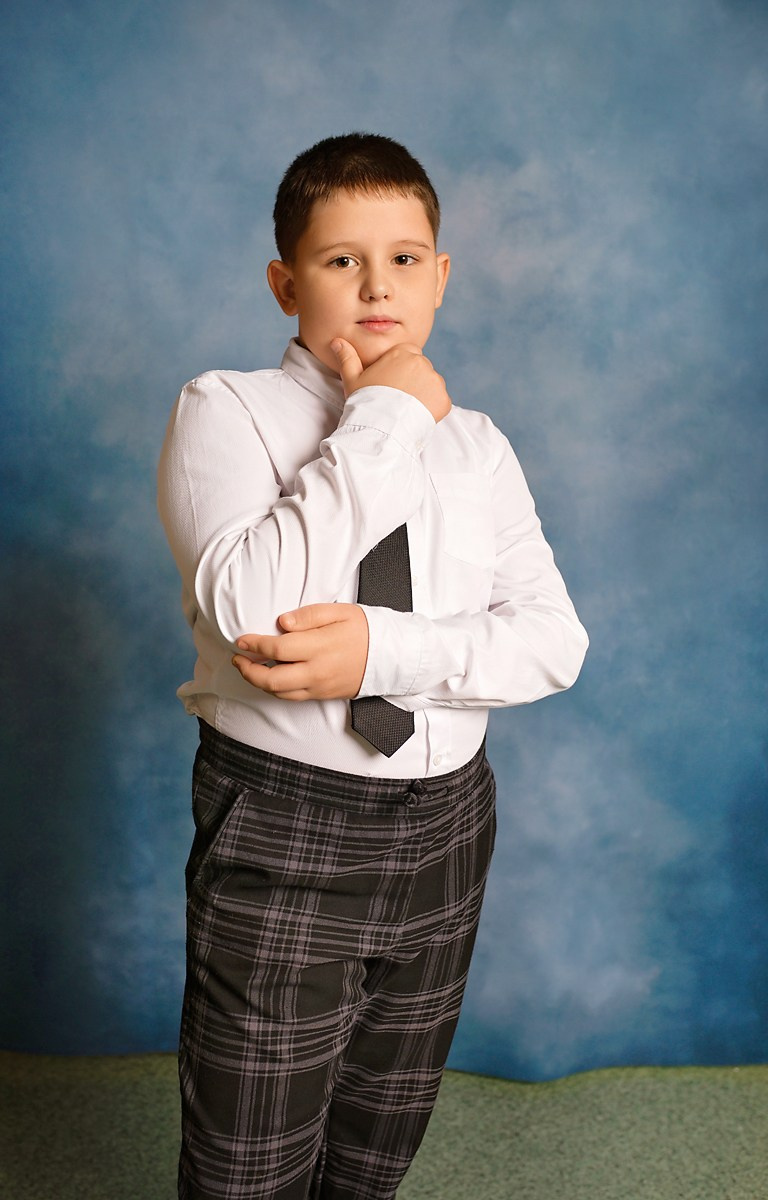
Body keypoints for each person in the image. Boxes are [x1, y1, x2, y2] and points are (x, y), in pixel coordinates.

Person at [158, 132, 588, 1200]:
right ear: (284, 283)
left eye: (403, 259)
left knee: (375, 1144)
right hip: (285, 823)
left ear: (440, 277)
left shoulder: (476, 445)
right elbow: (249, 608)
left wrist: (381, 650)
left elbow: (550, 641)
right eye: (341, 260)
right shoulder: (226, 409)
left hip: (450, 827)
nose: (377, 286)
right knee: (250, 1158)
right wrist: (386, 412)